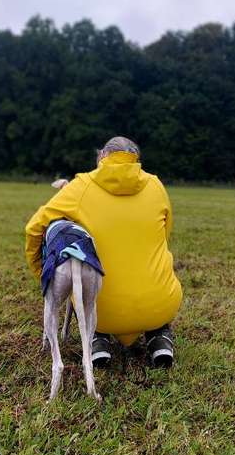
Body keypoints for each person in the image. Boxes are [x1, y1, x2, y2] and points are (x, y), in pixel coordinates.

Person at [25, 136, 182, 368]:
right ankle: (159, 338)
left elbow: (34, 228)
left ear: (102, 157)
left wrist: (42, 272)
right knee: (158, 283)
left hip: (102, 310)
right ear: (135, 159)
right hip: (159, 305)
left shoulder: (80, 187)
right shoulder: (156, 185)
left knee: (84, 287)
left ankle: (99, 339)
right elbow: (164, 236)